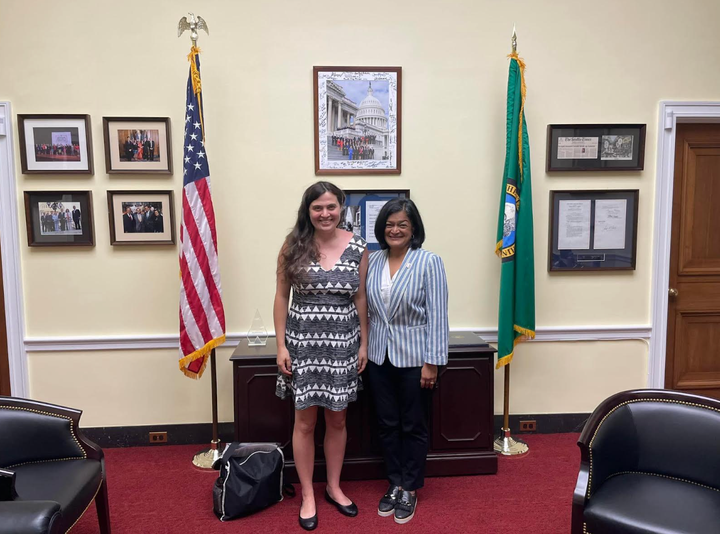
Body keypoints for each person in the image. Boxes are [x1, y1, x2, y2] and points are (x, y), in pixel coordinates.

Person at [274, 181, 368, 531]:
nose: (325, 213)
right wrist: (281, 345)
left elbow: (360, 299)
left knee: (338, 420)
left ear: (341, 207)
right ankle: (309, 494)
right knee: (304, 422)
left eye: (331, 207)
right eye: (318, 208)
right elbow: (282, 297)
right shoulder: (292, 245)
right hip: (303, 344)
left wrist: (363, 344)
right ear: (308, 211)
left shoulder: (359, 246)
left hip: (343, 342)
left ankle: (333, 486)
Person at [365, 198, 449, 525]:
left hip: (416, 359)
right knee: (386, 424)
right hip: (377, 357)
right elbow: (369, 311)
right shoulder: (372, 261)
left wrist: (433, 362)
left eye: (402, 224)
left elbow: (438, 315)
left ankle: (411, 487)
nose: (395, 230)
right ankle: (395, 482)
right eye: (389, 224)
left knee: (413, 425)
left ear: (413, 228)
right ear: (381, 228)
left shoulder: (428, 262)